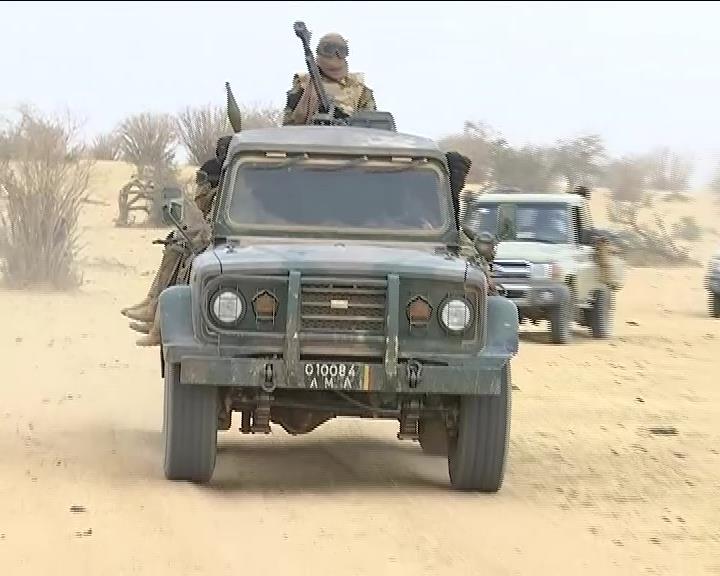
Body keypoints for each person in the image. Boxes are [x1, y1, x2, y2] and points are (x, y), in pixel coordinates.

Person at [120, 143, 226, 346]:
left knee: (187, 256)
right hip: (215, 245)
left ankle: (159, 319)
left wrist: (196, 240)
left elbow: (216, 233)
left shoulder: (223, 198)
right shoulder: (221, 198)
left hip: (218, 251)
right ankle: (154, 306)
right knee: (177, 242)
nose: (199, 191)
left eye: (202, 184)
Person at [283, 32, 377, 125]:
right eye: (329, 49)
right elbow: (289, 124)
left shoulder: (358, 87)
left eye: (341, 50)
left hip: (348, 138)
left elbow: (369, 126)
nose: (335, 55)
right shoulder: (304, 84)